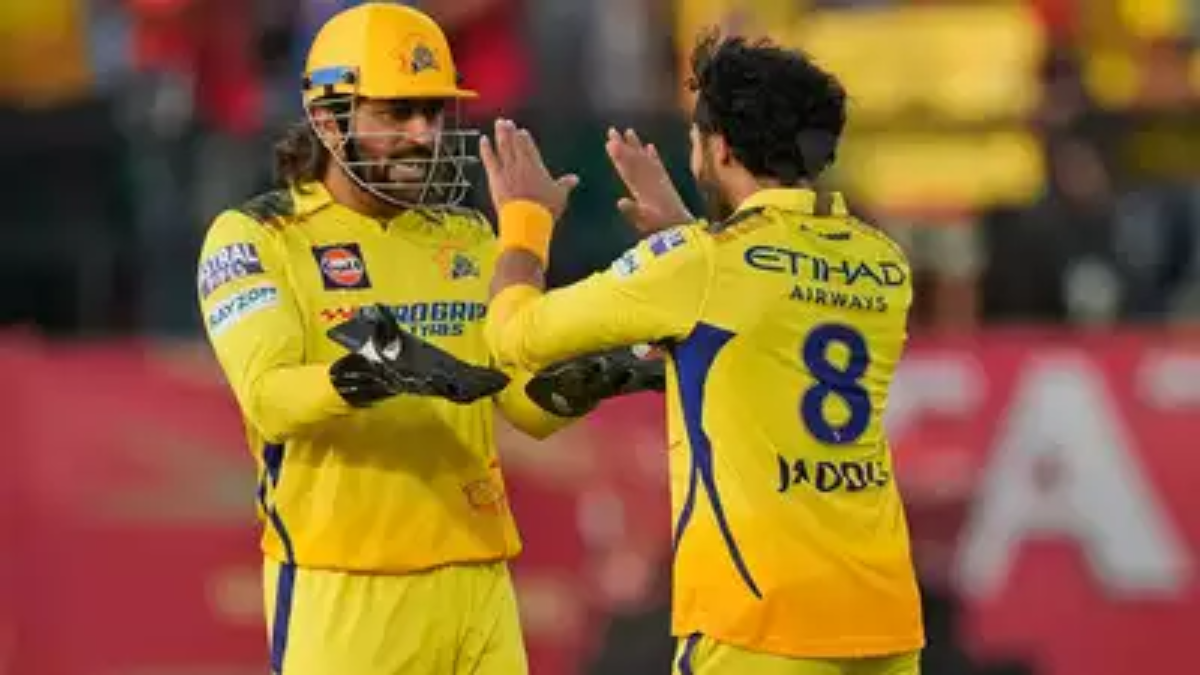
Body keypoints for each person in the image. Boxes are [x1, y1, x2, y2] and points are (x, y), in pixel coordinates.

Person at [196, 4, 659, 674]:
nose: (422, 134)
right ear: (327, 119)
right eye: (396, 112)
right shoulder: (257, 236)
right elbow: (268, 400)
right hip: (345, 587)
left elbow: (520, 404)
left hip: (478, 580)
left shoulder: (467, 234)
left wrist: (604, 374)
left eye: (433, 111)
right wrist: (374, 370)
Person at [480, 31, 924, 675]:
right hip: (882, 619)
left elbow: (515, 335)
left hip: (759, 626)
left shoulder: (698, 267)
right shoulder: (882, 261)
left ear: (719, 148)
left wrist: (524, 220)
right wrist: (683, 235)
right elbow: (764, 303)